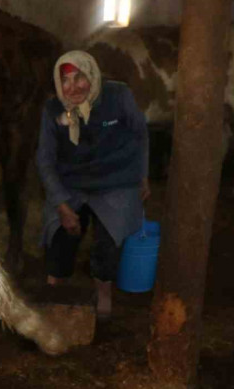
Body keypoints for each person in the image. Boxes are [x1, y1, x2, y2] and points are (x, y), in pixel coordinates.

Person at [36, 50, 150, 320]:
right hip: (71, 185)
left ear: (93, 76)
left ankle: (103, 293)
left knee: (107, 243)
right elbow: (45, 160)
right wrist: (62, 203)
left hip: (115, 181)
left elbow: (139, 135)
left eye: (80, 78)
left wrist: (141, 175)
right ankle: (55, 294)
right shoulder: (53, 109)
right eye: (65, 81)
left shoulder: (118, 96)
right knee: (59, 237)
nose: (72, 87)